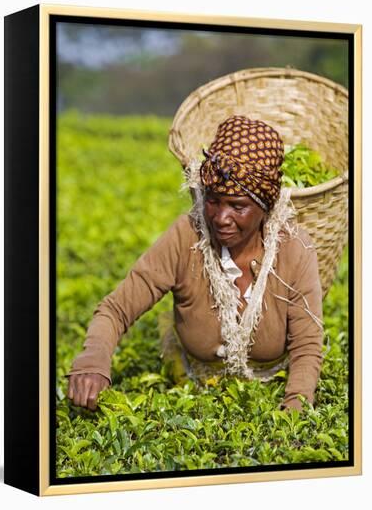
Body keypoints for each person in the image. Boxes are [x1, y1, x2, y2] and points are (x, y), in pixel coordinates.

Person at [66, 115, 324, 412]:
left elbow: (307, 345)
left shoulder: (293, 248)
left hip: (273, 385)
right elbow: (115, 310)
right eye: (213, 200)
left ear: (265, 206)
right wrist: (92, 362)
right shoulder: (185, 236)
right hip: (190, 385)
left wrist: (295, 406)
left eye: (238, 206)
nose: (220, 218)